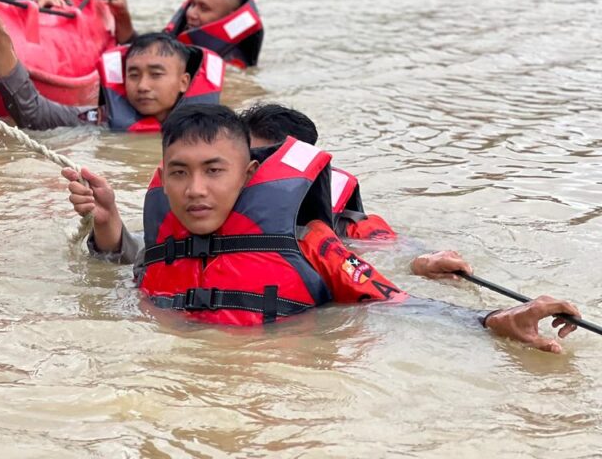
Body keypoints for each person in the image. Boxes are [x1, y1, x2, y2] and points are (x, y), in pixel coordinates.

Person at [62, 104, 582, 353]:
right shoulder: (164, 238)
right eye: (180, 173)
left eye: (214, 171)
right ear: (164, 175)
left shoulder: (313, 242)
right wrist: (106, 222)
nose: (195, 189)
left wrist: (494, 320)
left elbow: (399, 305)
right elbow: (119, 273)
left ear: (250, 173)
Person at [0, 0, 223, 131]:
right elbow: (33, 113)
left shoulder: (216, 129)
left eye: (156, 74)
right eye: (133, 75)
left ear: (184, 82)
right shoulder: (102, 120)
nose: (142, 86)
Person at [241, 102, 396, 241]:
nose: (251, 171)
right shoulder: (227, 211)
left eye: (263, 162)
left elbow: (395, 252)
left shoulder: (354, 230)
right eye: (249, 159)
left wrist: (335, 253)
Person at [164, 0, 264, 68]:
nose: (191, 14)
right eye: (192, 4)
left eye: (204, 8)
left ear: (230, 17)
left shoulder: (228, 68)